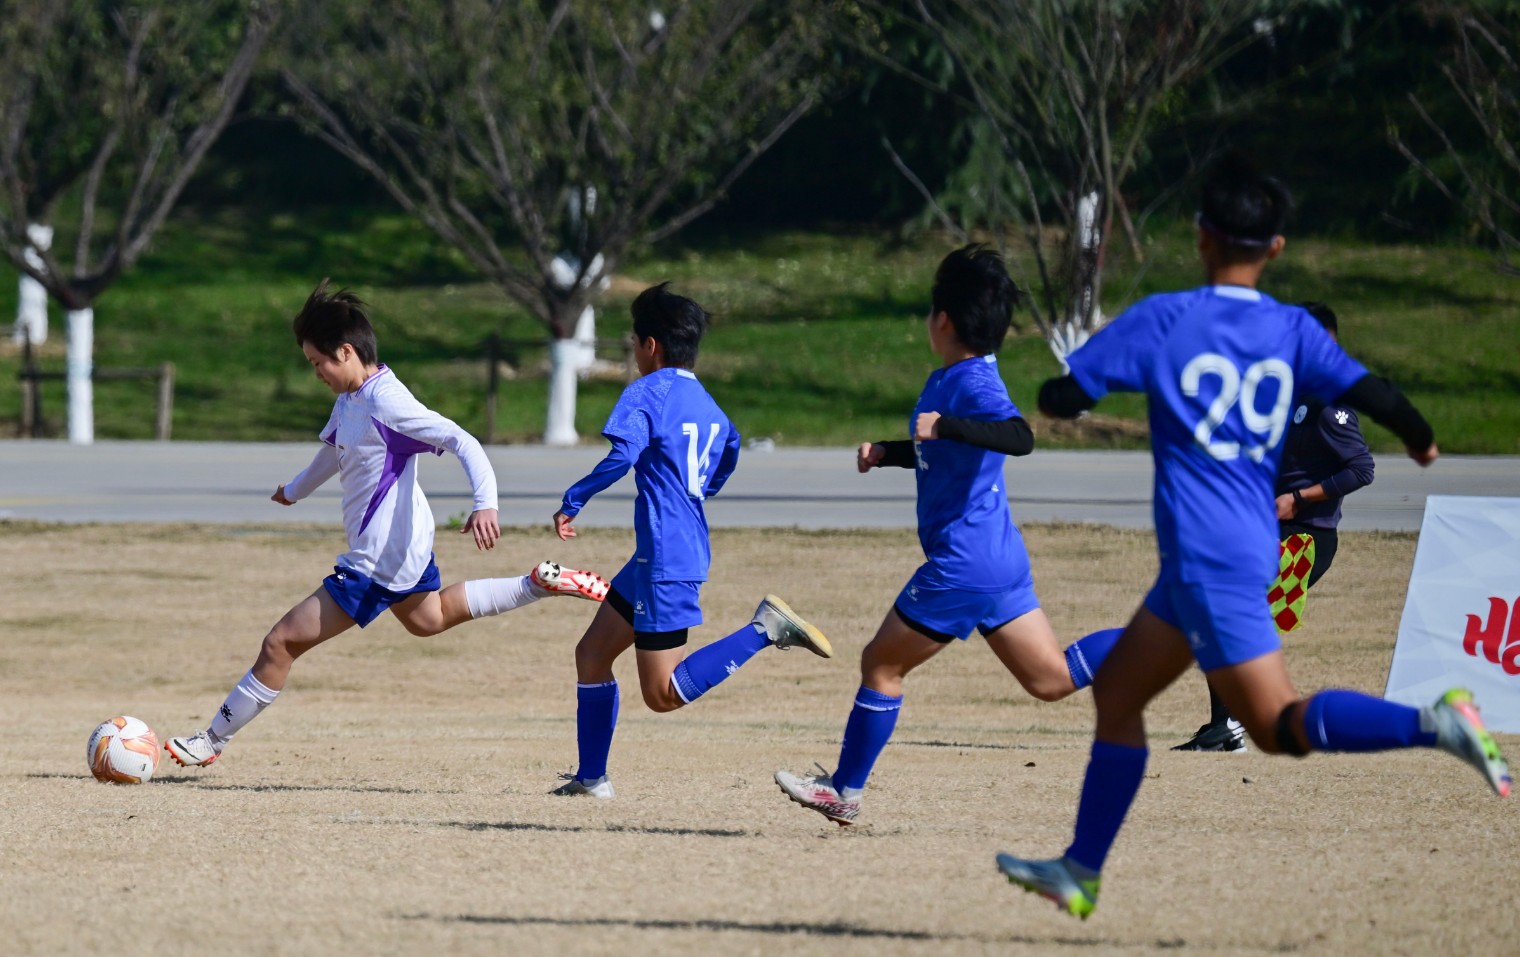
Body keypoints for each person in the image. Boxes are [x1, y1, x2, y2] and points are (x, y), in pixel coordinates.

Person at [995, 155, 1511, 920]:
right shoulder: (1293, 328)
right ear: (1274, 249)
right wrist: (1421, 437)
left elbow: (1064, 395)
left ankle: (1439, 722)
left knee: (1273, 724)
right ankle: (1079, 870)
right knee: (1121, 695)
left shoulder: (1166, 318)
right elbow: (1374, 392)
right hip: (1225, 552)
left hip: (1209, 558)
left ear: (1201, 237)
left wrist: (1060, 392)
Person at [165, 281, 606, 768]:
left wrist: (486, 504)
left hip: (378, 560)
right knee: (429, 619)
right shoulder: (351, 399)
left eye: (318, 362)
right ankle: (538, 583)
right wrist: (293, 490)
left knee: (281, 642)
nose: (316, 373)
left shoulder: (387, 403)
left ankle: (211, 740)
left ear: (346, 351)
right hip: (402, 547)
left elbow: (462, 440)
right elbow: (332, 451)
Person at [773, 245, 1124, 827]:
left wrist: (946, 425)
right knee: (1051, 679)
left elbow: (1018, 436)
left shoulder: (974, 382)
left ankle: (844, 790)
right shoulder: (950, 378)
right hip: (997, 558)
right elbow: (946, 451)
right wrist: (888, 453)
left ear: (944, 320)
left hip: (965, 562)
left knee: (880, 664)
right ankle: (1169, 638)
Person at [549, 282, 833, 800]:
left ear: (650, 345)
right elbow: (730, 449)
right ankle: (591, 779)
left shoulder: (646, 391)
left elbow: (622, 455)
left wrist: (574, 499)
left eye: (633, 341)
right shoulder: (706, 402)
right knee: (591, 654)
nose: (633, 351)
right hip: (665, 552)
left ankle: (764, 629)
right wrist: (697, 489)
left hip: (666, 558)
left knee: (661, 694)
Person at [1175, 300, 1375, 751]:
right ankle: (1226, 725)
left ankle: (1238, 723)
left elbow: (1362, 469)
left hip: (1306, 538)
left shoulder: (1330, 406)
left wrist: (1299, 499)